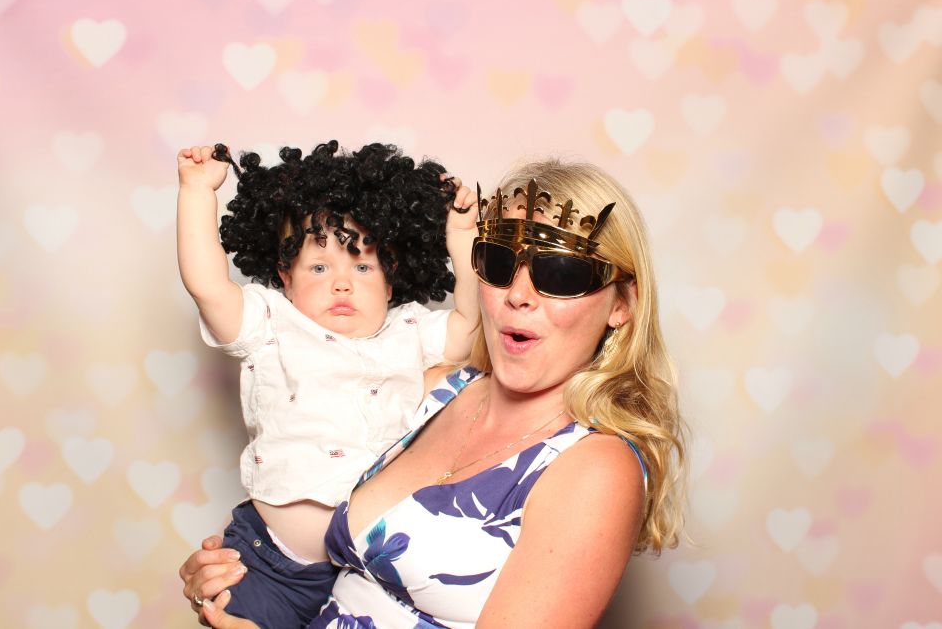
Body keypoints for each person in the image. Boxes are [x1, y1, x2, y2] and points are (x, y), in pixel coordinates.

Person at [180, 158, 686, 628]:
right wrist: (239, 570)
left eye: (560, 272)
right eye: (499, 262)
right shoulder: (432, 392)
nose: (518, 295)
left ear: (621, 304)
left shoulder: (594, 468)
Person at [176, 141, 480, 626]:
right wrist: (197, 192)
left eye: (363, 265)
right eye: (319, 267)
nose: (342, 283)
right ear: (285, 275)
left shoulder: (408, 330)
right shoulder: (271, 323)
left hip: (372, 569)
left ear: (390, 279)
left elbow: (470, 326)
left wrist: (462, 237)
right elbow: (208, 287)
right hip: (273, 566)